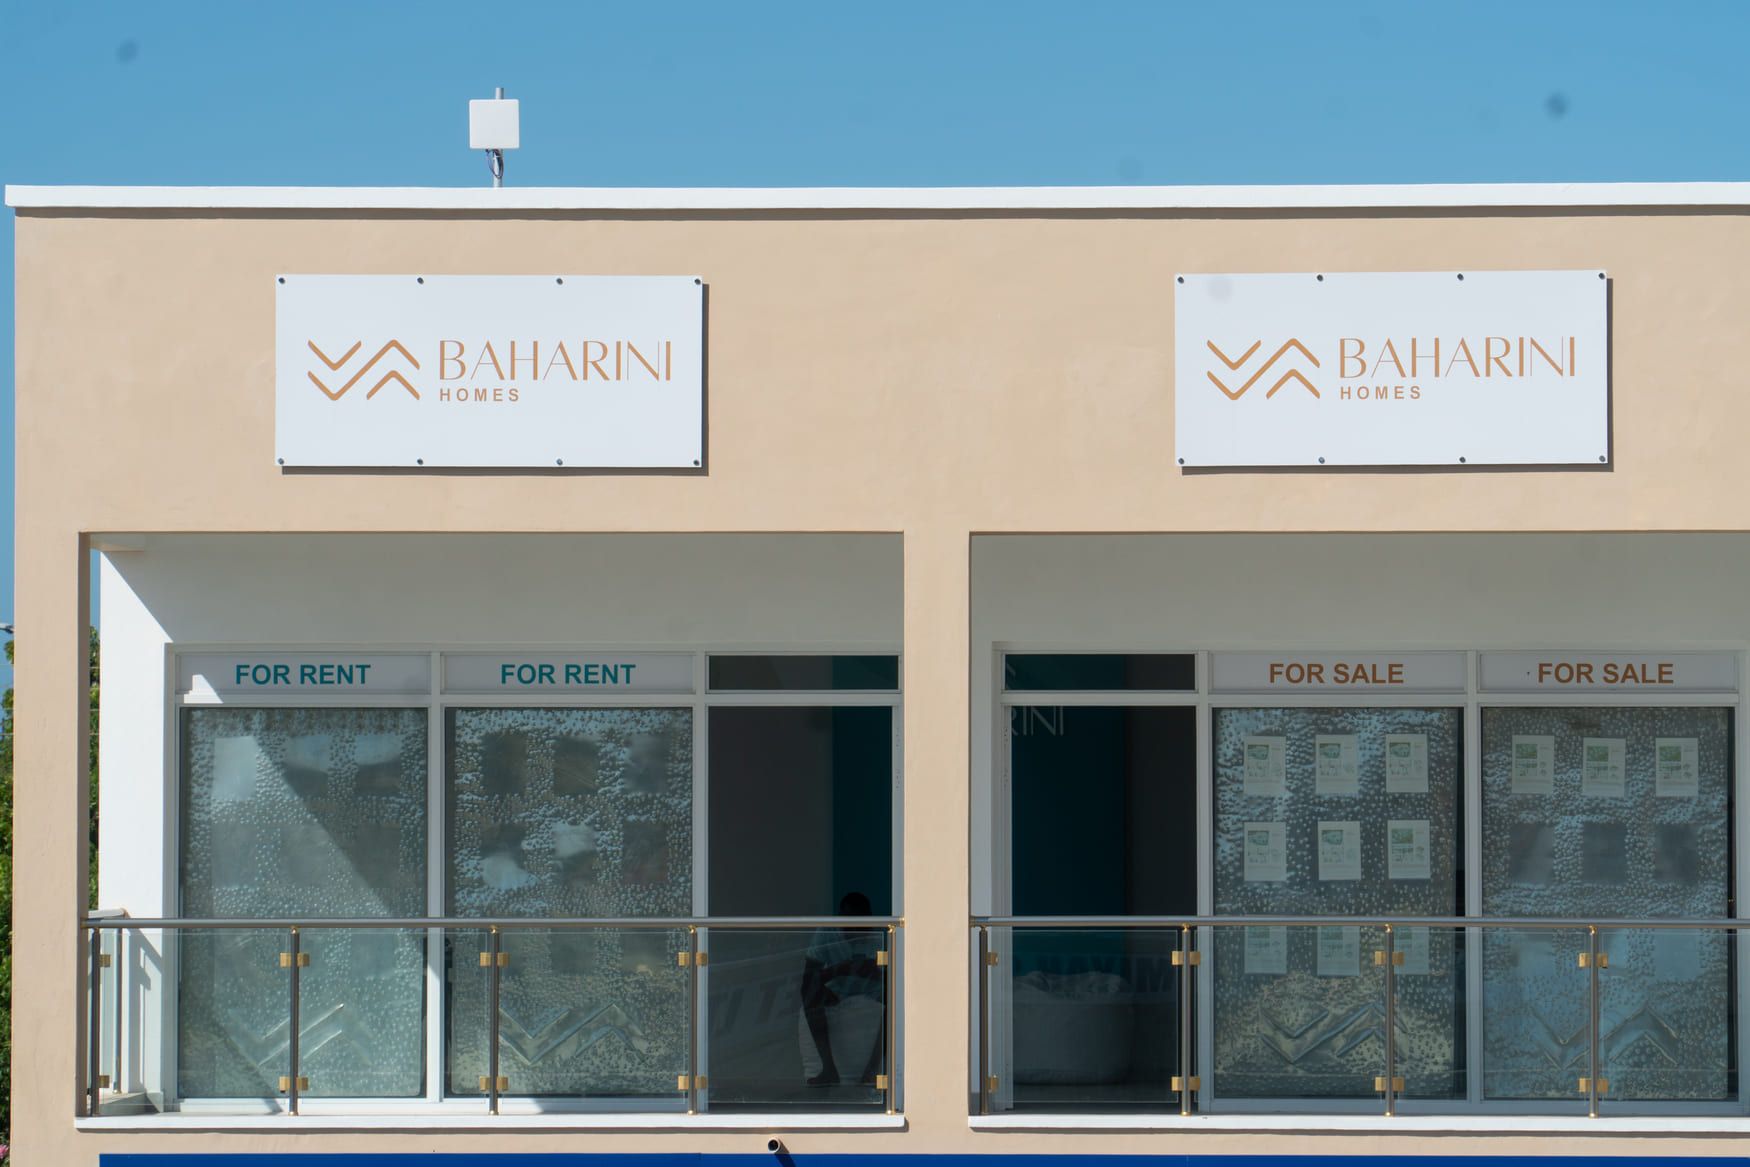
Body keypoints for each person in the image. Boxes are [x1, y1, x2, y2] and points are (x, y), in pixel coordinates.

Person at [801, 891, 884, 1086]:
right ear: (840, 919)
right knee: (810, 992)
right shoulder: (826, 932)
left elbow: (897, 978)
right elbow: (808, 977)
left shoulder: (883, 933)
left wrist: (875, 971)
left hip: (872, 990)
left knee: (897, 998)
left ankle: (872, 1071)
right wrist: (841, 969)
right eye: (850, 924)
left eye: (860, 926)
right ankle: (828, 1068)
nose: (855, 930)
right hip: (837, 990)